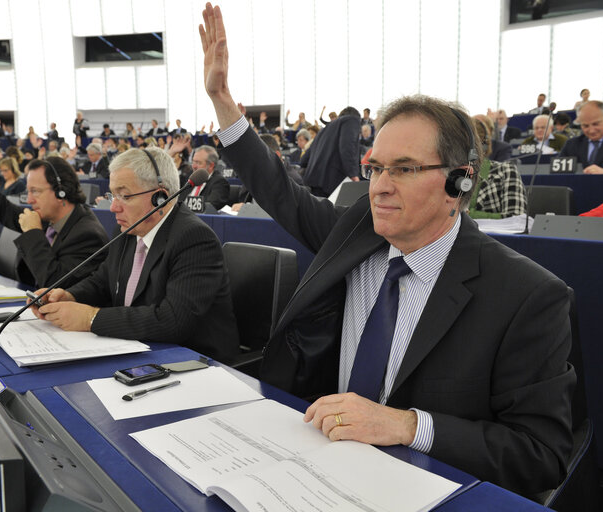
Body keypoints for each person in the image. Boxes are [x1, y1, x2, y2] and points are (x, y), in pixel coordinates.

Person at [200, 3, 573, 497]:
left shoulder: (526, 296)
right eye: (375, 168)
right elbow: (280, 191)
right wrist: (223, 102)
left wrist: (405, 426)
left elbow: (541, 456)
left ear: (458, 183)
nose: (378, 187)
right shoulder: (355, 233)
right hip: (313, 472)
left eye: (404, 168)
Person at [29, 146, 239, 362]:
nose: (113, 208)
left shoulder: (194, 238)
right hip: (142, 352)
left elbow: (173, 320)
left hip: (196, 363)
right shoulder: (128, 231)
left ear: (161, 198)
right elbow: (102, 281)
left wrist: (90, 318)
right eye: (113, 195)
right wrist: (70, 295)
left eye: (125, 196)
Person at [0, 123, 109, 288]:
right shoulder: (46, 217)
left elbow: (54, 285)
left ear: (61, 191)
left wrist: (33, 233)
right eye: (28, 191)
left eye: (35, 191)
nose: (29, 200)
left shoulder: (87, 235)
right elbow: (2, 208)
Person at [469, 116, 527, 218]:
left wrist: (469, 216)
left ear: (483, 146)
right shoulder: (446, 173)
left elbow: (517, 218)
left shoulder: (506, 172)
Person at [300, 107, 362, 197]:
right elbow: (347, 146)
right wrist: (353, 175)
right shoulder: (351, 120)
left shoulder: (323, 131)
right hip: (333, 185)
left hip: (312, 186)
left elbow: (304, 160)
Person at [559, 100, 603, 174]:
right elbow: (557, 172)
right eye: (585, 126)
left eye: (596, 124)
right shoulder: (571, 145)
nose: (591, 130)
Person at [180, 145, 230, 210]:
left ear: (211, 166)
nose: (194, 166)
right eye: (193, 161)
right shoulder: (190, 177)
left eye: (198, 163)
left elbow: (210, 207)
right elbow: (178, 201)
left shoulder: (220, 183)